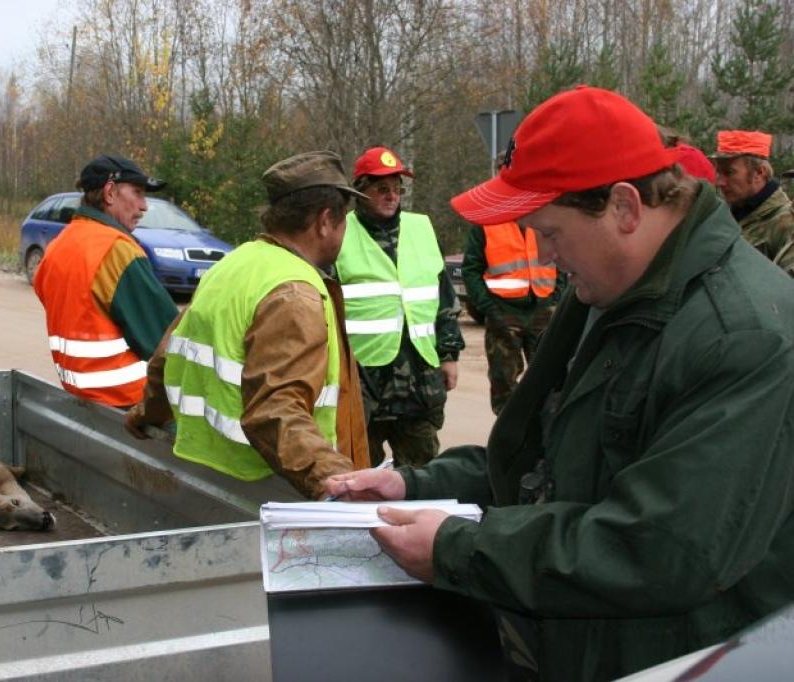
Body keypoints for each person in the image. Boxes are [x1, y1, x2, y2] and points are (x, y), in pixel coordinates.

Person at [324, 86, 794, 681]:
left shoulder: (744, 335)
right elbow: (545, 455)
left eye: (549, 231)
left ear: (624, 208)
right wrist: (412, 484)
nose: (543, 254)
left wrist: (458, 548)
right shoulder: (612, 291)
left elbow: (659, 550)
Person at [125, 151, 371, 499]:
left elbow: (166, 357)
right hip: (263, 489)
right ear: (325, 220)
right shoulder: (295, 292)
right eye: (344, 219)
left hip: (207, 479)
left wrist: (145, 413)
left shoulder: (233, 264)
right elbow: (276, 410)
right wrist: (338, 485)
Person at [334, 146, 464, 467]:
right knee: (360, 476)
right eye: (382, 189)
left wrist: (449, 355)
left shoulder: (421, 228)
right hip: (364, 381)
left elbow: (443, 299)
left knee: (422, 476)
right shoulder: (339, 234)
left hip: (418, 381)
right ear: (359, 191)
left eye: (396, 189)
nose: (392, 196)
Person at [33, 154, 178, 407]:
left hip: (80, 397)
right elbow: (165, 340)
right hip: (131, 403)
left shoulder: (58, 246)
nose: (144, 206)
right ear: (110, 192)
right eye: (138, 193)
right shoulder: (117, 251)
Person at [461, 219, 562, 414]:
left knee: (551, 379)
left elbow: (561, 256)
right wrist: (489, 308)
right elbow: (471, 269)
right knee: (503, 383)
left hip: (543, 307)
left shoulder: (544, 213)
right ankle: (510, 435)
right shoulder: (487, 223)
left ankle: (545, 435)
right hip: (503, 311)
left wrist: (555, 299)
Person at [711, 129, 794, 276]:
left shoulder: (785, 225)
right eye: (718, 172)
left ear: (759, 173)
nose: (719, 182)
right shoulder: (724, 218)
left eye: (729, 173)